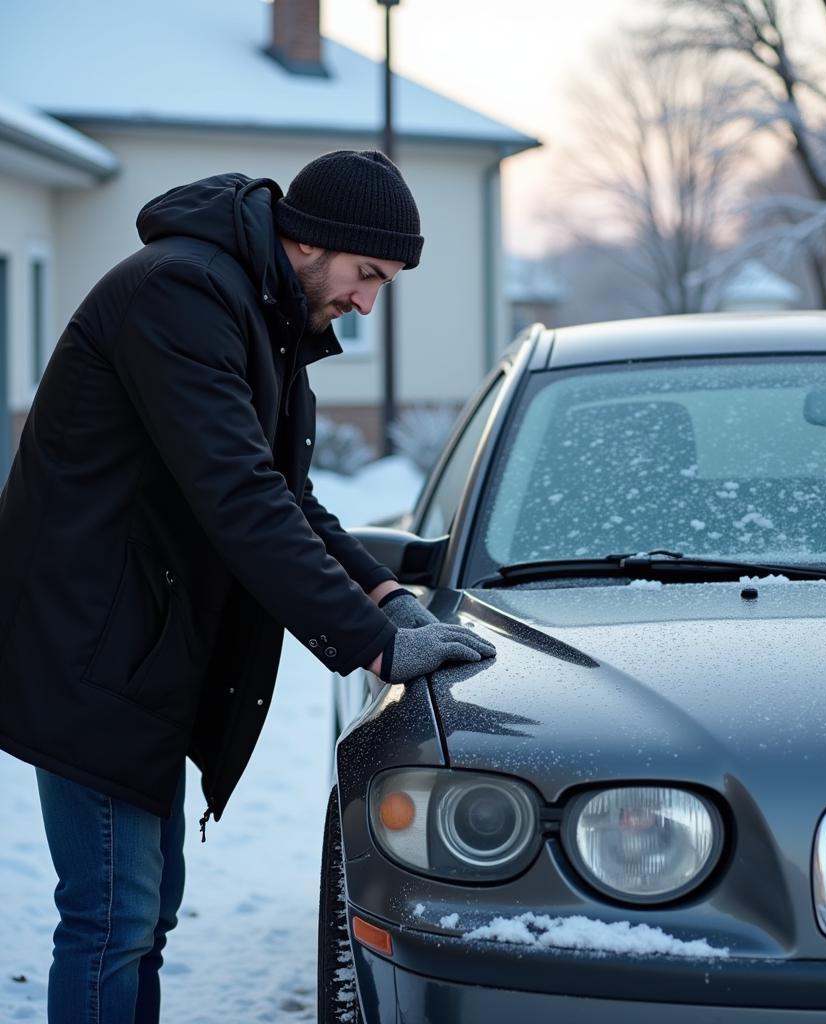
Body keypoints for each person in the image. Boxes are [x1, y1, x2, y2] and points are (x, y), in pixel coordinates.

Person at [0, 149, 496, 1022]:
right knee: (110, 917)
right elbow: (239, 493)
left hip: (141, 639)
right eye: (366, 274)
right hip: (88, 640)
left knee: (142, 912)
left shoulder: (261, 312)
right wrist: (373, 645)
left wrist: (384, 597)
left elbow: (290, 498)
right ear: (310, 241)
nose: (368, 301)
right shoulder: (180, 294)